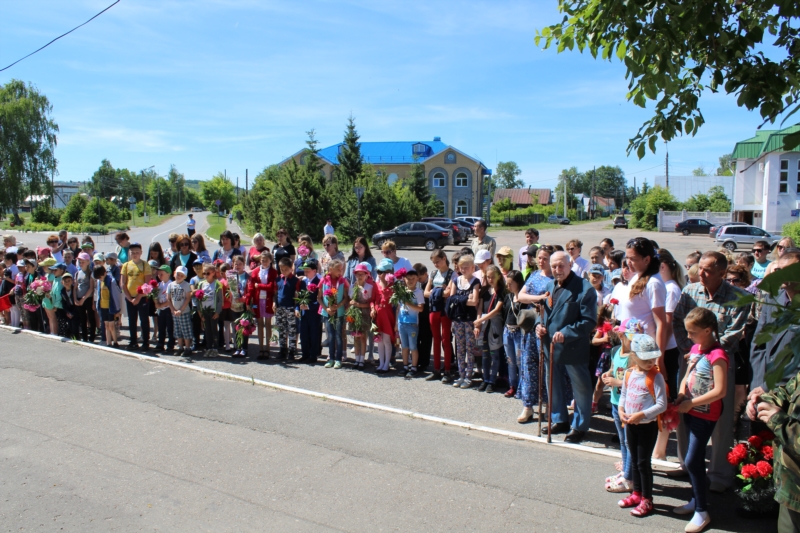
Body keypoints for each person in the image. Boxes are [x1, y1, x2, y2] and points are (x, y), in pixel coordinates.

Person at [672, 251, 750, 492]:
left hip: (718, 365)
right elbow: (678, 322)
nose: (701, 274)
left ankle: (719, 475)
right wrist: (690, 349)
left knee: (721, 419)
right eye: (700, 268)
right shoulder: (689, 292)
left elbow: (734, 333)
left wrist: (704, 354)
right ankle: (687, 463)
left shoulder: (739, 297)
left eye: (707, 270)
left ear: (722, 273)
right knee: (686, 411)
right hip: (690, 361)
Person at [672, 308, 729, 533]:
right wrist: (680, 394)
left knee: (693, 460)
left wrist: (691, 404)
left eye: (692, 332)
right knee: (691, 459)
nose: (689, 336)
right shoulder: (695, 348)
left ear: (708, 330)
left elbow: (721, 391)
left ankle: (702, 511)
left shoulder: (718, 355)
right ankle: (698, 499)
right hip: (690, 409)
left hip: (705, 413)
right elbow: (687, 375)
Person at [535, 250, 597, 443]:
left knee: (581, 388)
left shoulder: (585, 289)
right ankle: (559, 419)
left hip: (572, 346)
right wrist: (539, 325)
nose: (557, 269)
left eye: (561, 265)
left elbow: (589, 321)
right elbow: (543, 312)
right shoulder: (549, 285)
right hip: (550, 345)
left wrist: (567, 333)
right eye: (554, 266)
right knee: (552, 384)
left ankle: (579, 426)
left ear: (570, 264)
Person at [617, 334, 667, 518]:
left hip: (647, 426)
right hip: (631, 424)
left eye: (653, 358)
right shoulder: (630, 373)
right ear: (635, 356)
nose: (651, 362)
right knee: (635, 458)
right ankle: (636, 493)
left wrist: (642, 415)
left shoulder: (656, 377)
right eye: (646, 358)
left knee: (643, 462)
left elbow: (662, 405)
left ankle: (647, 498)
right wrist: (622, 410)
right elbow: (623, 395)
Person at [516, 245, 555, 422]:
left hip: (548, 326)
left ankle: (548, 405)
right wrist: (538, 298)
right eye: (539, 258)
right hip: (532, 326)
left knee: (546, 367)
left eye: (545, 258)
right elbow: (521, 296)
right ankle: (528, 406)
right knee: (529, 366)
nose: (541, 261)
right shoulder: (534, 276)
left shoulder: (556, 279)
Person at [603, 318, 640, 494]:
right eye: (630, 337)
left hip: (628, 406)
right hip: (616, 402)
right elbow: (613, 369)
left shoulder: (635, 358)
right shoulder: (617, 351)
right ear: (620, 334)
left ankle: (629, 477)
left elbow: (633, 382)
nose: (633, 341)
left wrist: (616, 382)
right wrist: (607, 374)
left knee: (629, 441)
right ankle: (626, 471)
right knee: (622, 440)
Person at [445, 254, 481, 389]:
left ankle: (469, 376)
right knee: (460, 348)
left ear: (472, 268)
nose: (464, 270)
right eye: (462, 267)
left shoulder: (475, 282)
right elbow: (451, 299)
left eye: (467, 267)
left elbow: (475, 302)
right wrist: (466, 298)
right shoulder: (456, 280)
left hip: (469, 320)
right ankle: (461, 375)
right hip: (458, 319)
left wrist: (460, 299)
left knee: (469, 348)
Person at [474, 265, 506, 392]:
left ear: (499, 276)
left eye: (493, 277)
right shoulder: (485, 290)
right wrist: (478, 324)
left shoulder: (502, 291)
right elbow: (480, 309)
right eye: (488, 277)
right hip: (484, 326)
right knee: (485, 354)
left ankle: (492, 380)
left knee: (495, 355)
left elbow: (497, 310)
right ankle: (485, 379)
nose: (490, 279)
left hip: (495, 326)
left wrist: (481, 320)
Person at [425, 249, 454, 382]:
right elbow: (425, 292)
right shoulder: (433, 273)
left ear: (444, 258)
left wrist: (435, 291)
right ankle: (436, 369)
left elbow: (448, 293)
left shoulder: (451, 274)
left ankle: (447, 370)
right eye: (434, 262)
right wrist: (440, 290)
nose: (436, 265)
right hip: (434, 309)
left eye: (437, 261)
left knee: (445, 340)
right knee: (435, 340)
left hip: (445, 310)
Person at [121, 243, 152, 351]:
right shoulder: (126, 265)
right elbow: (123, 283)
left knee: (144, 319)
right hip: (130, 297)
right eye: (132, 252)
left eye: (137, 252)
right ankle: (133, 341)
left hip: (142, 297)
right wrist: (129, 298)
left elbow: (147, 283)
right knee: (132, 320)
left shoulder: (145, 265)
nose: (134, 254)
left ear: (141, 253)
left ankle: (145, 342)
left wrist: (138, 298)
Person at [319, 258, 349, 368]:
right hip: (327, 313)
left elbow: (346, 298)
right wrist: (326, 308)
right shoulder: (323, 280)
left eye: (341, 269)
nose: (340, 272)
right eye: (338, 269)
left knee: (338, 336)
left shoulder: (343, 281)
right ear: (330, 269)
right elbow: (319, 298)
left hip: (339, 312)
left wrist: (338, 306)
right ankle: (331, 358)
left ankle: (338, 358)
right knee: (330, 336)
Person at [248, 251, 276, 359]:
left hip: (268, 300)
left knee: (268, 324)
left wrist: (259, 286)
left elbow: (271, 286)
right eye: (262, 260)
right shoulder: (255, 271)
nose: (264, 262)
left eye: (266, 260)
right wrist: (248, 301)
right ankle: (261, 348)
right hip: (257, 301)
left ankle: (268, 348)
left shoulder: (273, 272)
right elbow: (251, 286)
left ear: (270, 260)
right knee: (259, 323)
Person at [397, 269, 425, 378]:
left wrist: (408, 303)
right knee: (404, 346)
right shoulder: (402, 291)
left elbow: (421, 308)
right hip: (401, 322)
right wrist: (396, 323)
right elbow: (399, 307)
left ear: (417, 279)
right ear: (404, 279)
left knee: (413, 346)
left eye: (413, 279)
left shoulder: (418, 292)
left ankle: (414, 367)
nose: (410, 281)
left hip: (412, 323)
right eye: (408, 279)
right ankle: (405, 366)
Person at [348, 262, 376, 370]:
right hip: (355, 314)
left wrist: (359, 304)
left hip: (364, 314)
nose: (359, 277)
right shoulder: (352, 286)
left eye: (362, 274)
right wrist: (351, 304)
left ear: (366, 275)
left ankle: (362, 360)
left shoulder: (369, 287)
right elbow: (350, 299)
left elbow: (370, 303)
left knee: (363, 336)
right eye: (357, 274)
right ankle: (357, 358)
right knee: (356, 336)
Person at [275, 257, 301, 361]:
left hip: (290, 308)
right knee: (281, 329)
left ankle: (292, 351)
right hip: (280, 308)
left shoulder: (295, 281)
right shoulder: (278, 280)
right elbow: (275, 294)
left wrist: (297, 308)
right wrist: (274, 303)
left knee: (292, 330)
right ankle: (282, 350)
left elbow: (297, 296)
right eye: (281, 269)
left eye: (286, 269)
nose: (284, 271)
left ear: (291, 268)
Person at [373, 259, 396, 373]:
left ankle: (387, 364)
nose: (379, 274)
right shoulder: (376, 285)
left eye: (382, 272)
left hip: (387, 316)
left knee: (387, 340)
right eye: (378, 272)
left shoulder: (393, 286)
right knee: (380, 341)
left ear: (388, 273)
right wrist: (373, 308)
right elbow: (373, 300)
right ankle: (381, 362)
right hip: (378, 316)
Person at [297, 258, 321, 364]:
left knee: (314, 334)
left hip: (314, 313)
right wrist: (297, 308)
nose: (305, 272)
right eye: (304, 270)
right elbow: (299, 297)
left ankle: (313, 354)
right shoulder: (303, 282)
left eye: (308, 270)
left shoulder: (318, 282)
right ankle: (304, 354)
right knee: (304, 334)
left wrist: (310, 306)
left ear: (314, 271)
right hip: (304, 313)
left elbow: (320, 300)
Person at [197, 263, 223, 357]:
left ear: (213, 273)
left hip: (213, 311)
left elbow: (220, 300)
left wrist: (218, 311)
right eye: (204, 273)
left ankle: (215, 348)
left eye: (207, 273)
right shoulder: (201, 284)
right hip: (204, 311)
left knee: (214, 330)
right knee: (207, 330)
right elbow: (198, 299)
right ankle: (208, 347)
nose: (205, 275)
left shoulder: (217, 284)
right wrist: (200, 312)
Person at [93, 264, 121, 348]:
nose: (100, 278)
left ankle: (115, 342)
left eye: (101, 276)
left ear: (105, 273)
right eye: (99, 277)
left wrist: (117, 310)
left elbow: (116, 295)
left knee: (112, 325)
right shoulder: (99, 281)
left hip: (110, 307)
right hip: (102, 307)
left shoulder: (111, 281)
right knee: (106, 325)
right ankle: (108, 342)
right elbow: (98, 294)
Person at [168, 266, 193, 358]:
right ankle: (180, 347)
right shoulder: (171, 285)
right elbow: (169, 298)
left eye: (181, 275)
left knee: (185, 330)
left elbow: (187, 298)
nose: (179, 276)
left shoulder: (186, 285)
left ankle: (187, 348)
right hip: (174, 312)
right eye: (178, 274)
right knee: (177, 330)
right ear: (174, 273)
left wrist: (180, 310)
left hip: (184, 311)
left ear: (185, 277)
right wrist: (173, 310)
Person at [228, 256, 250, 358]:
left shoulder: (247, 277)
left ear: (243, 264)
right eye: (235, 264)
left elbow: (249, 292)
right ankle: (237, 347)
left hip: (244, 305)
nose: (237, 266)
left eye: (240, 264)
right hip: (233, 305)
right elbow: (228, 289)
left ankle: (244, 348)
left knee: (244, 326)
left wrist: (242, 299)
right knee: (236, 327)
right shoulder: (231, 276)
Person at [74, 252, 96, 344]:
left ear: (88, 262)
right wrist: (75, 299)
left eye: (83, 261)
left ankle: (92, 337)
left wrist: (83, 298)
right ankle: (84, 337)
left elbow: (91, 288)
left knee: (91, 318)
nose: (81, 263)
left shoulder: (90, 273)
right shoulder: (77, 273)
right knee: (82, 318)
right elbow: (75, 287)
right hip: (79, 298)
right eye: (79, 261)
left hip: (88, 299)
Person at [154, 265, 175, 354]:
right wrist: (156, 304)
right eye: (158, 274)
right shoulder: (159, 285)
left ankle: (170, 345)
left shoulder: (171, 284)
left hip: (169, 308)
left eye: (161, 273)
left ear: (168, 274)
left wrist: (162, 304)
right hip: (161, 309)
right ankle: (160, 343)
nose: (159, 275)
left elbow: (172, 299)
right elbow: (155, 295)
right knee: (161, 327)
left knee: (170, 327)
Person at [56, 272, 78, 338]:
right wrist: (67, 312)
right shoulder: (62, 291)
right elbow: (64, 303)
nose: (67, 283)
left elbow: (76, 303)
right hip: (69, 310)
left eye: (69, 281)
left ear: (72, 281)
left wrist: (72, 313)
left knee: (75, 324)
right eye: (65, 281)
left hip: (76, 310)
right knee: (70, 324)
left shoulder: (75, 290)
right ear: (62, 282)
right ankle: (71, 336)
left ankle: (77, 337)